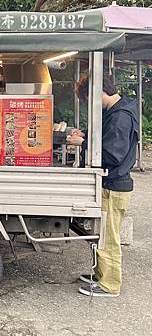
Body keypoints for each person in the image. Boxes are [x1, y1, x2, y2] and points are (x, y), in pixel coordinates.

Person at [66, 74, 139, 298]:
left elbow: (111, 153)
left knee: (108, 237)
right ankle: (100, 275)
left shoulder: (120, 117)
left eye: (90, 98)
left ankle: (109, 284)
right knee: (102, 235)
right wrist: (86, 134)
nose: (90, 104)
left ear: (100, 92)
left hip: (114, 184)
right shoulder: (117, 112)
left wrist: (83, 143)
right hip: (113, 183)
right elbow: (105, 138)